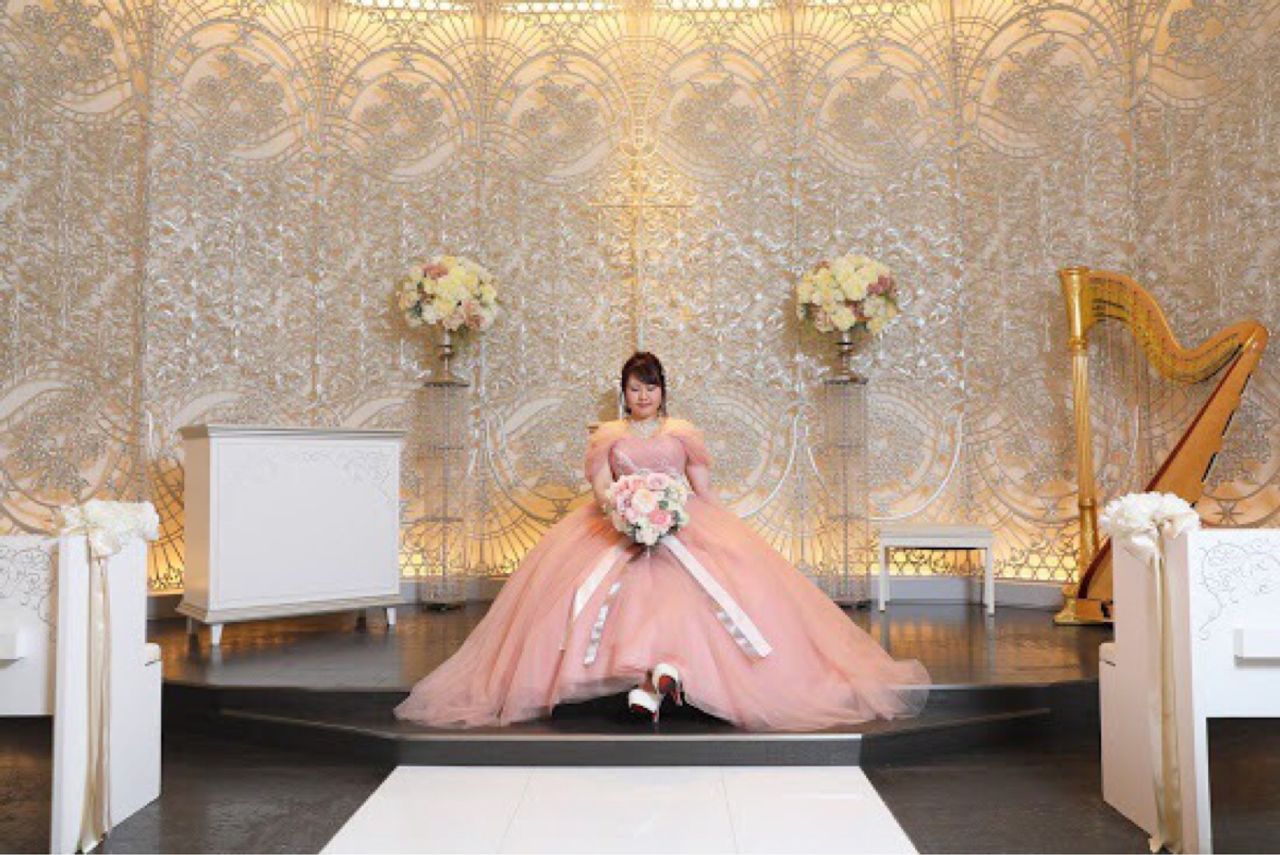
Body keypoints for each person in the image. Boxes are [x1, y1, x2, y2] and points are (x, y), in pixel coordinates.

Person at [395, 352, 928, 730]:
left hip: (681, 522)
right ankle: (652, 677)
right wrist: (623, 512)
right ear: (623, 393)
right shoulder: (607, 435)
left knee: (699, 595)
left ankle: (659, 680)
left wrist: (702, 523)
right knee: (604, 595)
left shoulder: (683, 432)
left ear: (663, 391)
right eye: (634, 388)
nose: (643, 396)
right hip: (617, 524)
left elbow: (702, 489)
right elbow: (600, 486)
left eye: (650, 387)